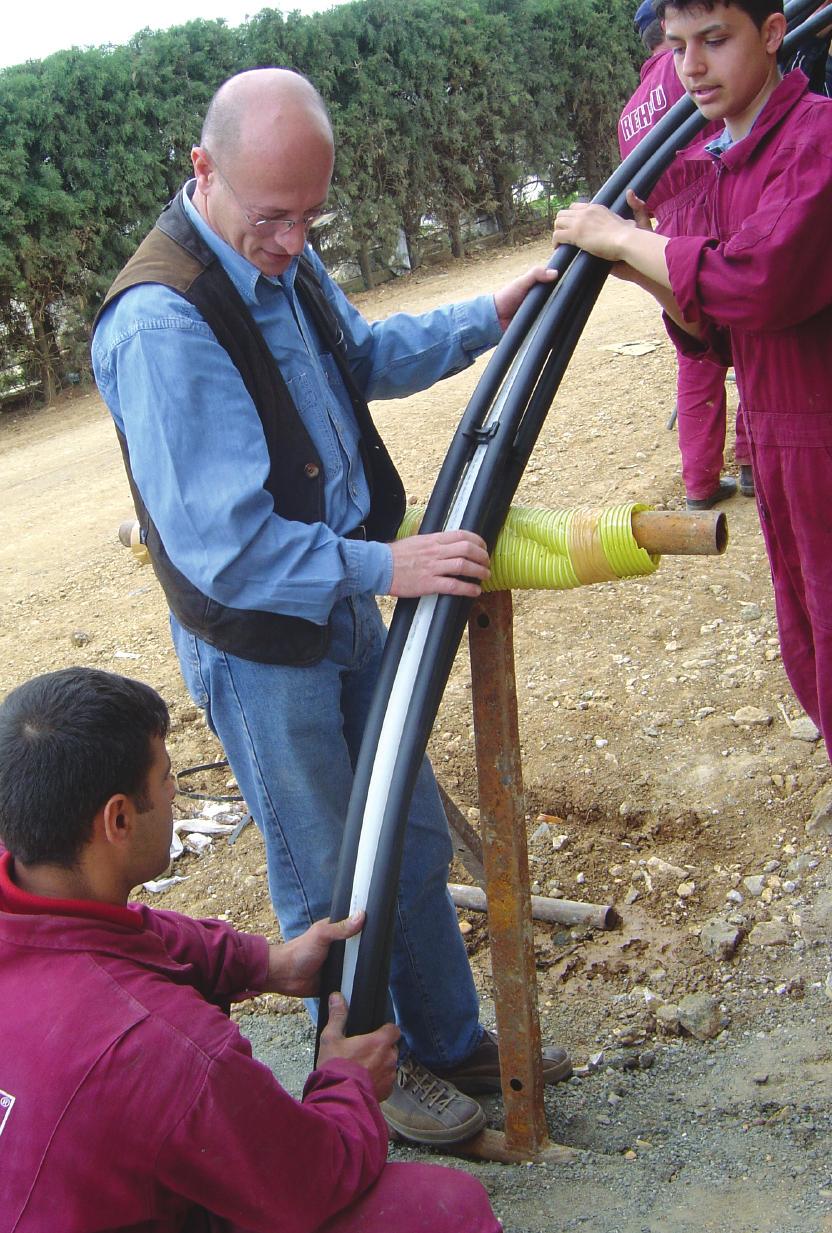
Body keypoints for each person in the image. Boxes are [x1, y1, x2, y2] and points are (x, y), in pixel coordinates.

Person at [91, 67, 572, 1147]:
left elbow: (358, 358)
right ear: (202, 170)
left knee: (399, 834)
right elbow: (230, 551)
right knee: (326, 874)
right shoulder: (163, 324)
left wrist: (485, 319)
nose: (294, 241)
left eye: (312, 216)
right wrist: (385, 570)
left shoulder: (281, 254)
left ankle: (446, 1042)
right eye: (273, 217)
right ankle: (368, 1075)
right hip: (267, 646)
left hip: (346, 603)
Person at [0, 666, 503, 1233]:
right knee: (444, 1208)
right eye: (167, 779)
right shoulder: (167, 1049)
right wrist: (347, 1081)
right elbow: (310, 1183)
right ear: (118, 818)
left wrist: (269, 964)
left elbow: (135, 934)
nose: (172, 792)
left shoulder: (30, 903)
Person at [554, 0, 832, 757]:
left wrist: (621, 237)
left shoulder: (817, 142)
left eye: (714, 40)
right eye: (677, 46)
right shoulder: (726, 161)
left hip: (822, 436)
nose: (691, 68)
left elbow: (759, 283)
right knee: (806, 635)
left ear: (773, 35)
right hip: (776, 434)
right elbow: (721, 335)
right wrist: (639, 262)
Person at [622, 0, 754, 510]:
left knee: (694, 354)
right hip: (719, 203)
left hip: (668, 232)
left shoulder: (630, 110)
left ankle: (699, 481)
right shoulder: (690, 74)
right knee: (747, 333)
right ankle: (750, 462)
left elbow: (638, 192)